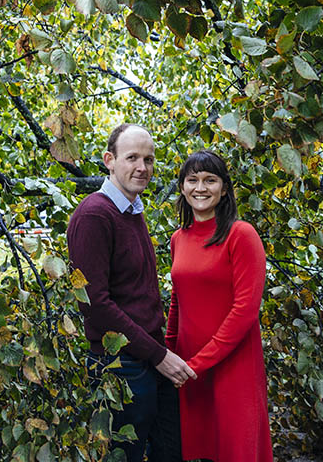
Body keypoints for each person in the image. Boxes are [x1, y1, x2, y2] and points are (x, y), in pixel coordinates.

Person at [67, 123, 196, 462]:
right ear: (110, 160)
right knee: (125, 455)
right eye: (133, 158)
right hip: (119, 365)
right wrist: (158, 355)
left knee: (171, 450)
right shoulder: (95, 214)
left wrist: (159, 351)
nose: (143, 168)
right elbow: (95, 305)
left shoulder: (131, 210)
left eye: (149, 160)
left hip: (149, 356)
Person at [166, 150, 273, 461]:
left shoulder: (241, 235)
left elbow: (245, 311)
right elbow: (178, 300)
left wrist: (197, 365)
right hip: (187, 366)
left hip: (232, 365)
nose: (201, 188)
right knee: (197, 450)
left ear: (224, 188)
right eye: (193, 180)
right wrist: (168, 353)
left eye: (210, 180)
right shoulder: (178, 238)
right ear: (183, 187)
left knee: (235, 449)